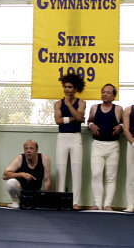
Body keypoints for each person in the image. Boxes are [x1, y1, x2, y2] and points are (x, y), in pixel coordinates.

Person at [88, 84, 123, 210]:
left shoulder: (118, 109)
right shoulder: (94, 108)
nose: (104, 94)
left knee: (111, 177)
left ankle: (108, 204)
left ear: (114, 95)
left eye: (108, 92)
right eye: (103, 92)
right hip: (97, 145)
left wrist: (121, 127)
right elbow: (89, 121)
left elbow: (123, 123)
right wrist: (91, 125)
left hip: (113, 146)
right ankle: (98, 204)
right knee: (96, 174)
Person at [53, 73, 86, 209]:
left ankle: (75, 202)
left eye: (70, 87)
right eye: (65, 87)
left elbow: (80, 115)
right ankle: (60, 199)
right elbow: (58, 121)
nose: (67, 89)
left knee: (76, 169)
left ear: (75, 89)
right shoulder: (57, 103)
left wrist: (68, 105)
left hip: (76, 137)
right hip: (62, 138)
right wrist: (73, 119)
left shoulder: (81, 102)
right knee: (61, 169)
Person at [2, 140, 52, 209]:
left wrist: (46, 199)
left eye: (31, 148)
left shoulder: (44, 159)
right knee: (11, 183)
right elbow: (5, 175)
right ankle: (16, 202)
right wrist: (22, 174)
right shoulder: (20, 158)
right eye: (26, 148)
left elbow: (47, 180)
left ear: (36, 150)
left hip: (36, 193)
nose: (28, 151)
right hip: (21, 192)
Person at [122, 105, 134, 212]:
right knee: (131, 175)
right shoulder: (128, 110)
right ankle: (130, 204)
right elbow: (126, 130)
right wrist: (133, 143)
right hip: (132, 143)